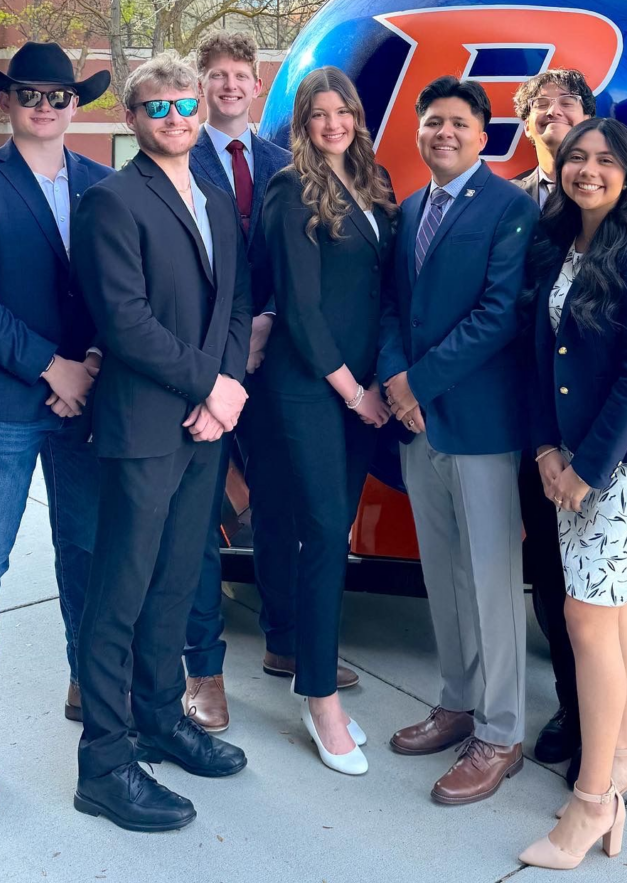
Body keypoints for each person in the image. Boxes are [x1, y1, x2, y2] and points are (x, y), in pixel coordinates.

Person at [71, 53, 252, 832]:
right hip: (145, 427)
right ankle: (106, 763)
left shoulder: (215, 198)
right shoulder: (113, 202)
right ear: (132, 119)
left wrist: (230, 389)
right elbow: (125, 320)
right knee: (121, 594)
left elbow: (237, 306)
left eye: (185, 105)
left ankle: (157, 718)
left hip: (205, 428)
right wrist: (206, 386)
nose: (176, 118)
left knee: (176, 586)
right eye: (158, 108)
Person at [0, 42, 112, 823]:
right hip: (7, 405)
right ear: (5, 101)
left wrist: (98, 361)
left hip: (88, 406)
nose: (46, 105)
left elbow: (120, 289)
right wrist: (53, 368)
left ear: (78, 104)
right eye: (30, 93)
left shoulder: (106, 186)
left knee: (86, 553)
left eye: (59, 94)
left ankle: (87, 678)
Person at [518, 118, 627, 869]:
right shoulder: (560, 241)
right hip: (572, 455)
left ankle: (591, 802)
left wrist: (585, 468)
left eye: (605, 161)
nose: (588, 170)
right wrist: (549, 449)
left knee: (587, 614)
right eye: (577, 157)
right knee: (607, 607)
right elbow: (538, 354)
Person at [182, 31, 348, 737]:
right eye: (215, 75)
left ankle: (286, 639)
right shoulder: (177, 155)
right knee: (198, 516)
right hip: (201, 367)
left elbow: (299, 267)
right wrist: (223, 348)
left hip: (275, 364)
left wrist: (268, 323)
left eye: (240, 75)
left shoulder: (291, 164)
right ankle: (205, 671)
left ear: (259, 86)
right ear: (200, 86)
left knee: (278, 508)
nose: (228, 86)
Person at [380, 76, 539, 805]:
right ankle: (456, 701)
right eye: (432, 121)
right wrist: (392, 380)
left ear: (484, 135)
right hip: (417, 426)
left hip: (478, 427)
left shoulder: (509, 208)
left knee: (492, 583)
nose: (443, 132)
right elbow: (391, 309)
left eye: (458, 123)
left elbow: (499, 313)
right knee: (441, 574)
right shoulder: (410, 208)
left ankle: (501, 732)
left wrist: (418, 382)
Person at [258, 65, 396, 776]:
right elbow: (302, 310)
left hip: (361, 393)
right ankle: (319, 699)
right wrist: (353, 392)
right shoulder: (289, 188)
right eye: (319, 113)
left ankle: (311, 672)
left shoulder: (375, 184)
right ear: (303, 122)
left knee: (331, 535)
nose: (333, 124)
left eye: (343, 112)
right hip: (313, 389)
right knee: (321, 535)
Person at [511, 68, 596, 767]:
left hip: (603, 431)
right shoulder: (508, 205)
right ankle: (572, 712)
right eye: (540, 108)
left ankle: (606, 730)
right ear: (526, 127)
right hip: (531, 423)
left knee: (599, 588)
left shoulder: (620, 203)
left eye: (567, 104)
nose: (553, 114)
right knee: (547, 569)